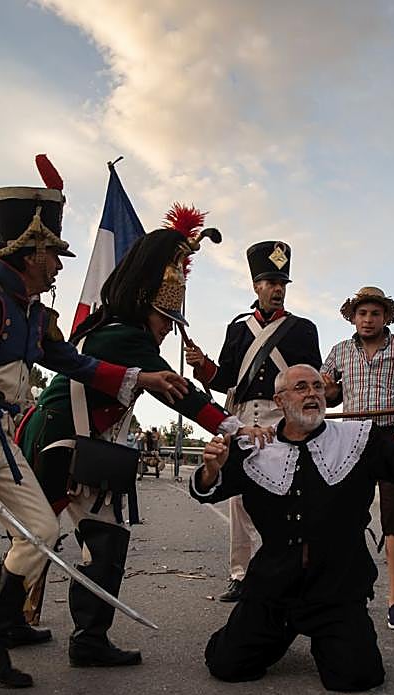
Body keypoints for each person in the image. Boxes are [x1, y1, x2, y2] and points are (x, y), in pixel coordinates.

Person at [0, 183, 187, 695]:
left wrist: (141, 378)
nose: (58, 267)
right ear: (29, 252)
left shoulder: (31, 312)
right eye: (53, 255)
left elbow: (77, 364)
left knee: (42, 531)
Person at [18, 207, 273, 667]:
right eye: (164, 322)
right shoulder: (124, 335)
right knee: (46, 539)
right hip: (63, 443)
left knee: (85, 538)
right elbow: (183, 394)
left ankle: (66, 634)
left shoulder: (114, 327)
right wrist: (235, 427)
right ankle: (13, 628)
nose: (164, 332)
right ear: (147, 306)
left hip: (81, 443)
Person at [193, 364, 394, 692]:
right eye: (301, 388)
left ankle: (330, 639)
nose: (312, 393)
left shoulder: (357, 439)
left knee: (357, 677)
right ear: (279, 401)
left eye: (317, 387)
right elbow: (209, 487)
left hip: (336, 588)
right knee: (228, 665)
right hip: (273, 589)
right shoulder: (255, 449)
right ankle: (263, 632)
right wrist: (211, 470)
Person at [184, 241, 322, 603]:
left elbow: (310, 379)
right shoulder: (238, 328)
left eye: (282, 283)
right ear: (256, 286)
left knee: (284, 495)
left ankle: (285, 568)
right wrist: (201, 365)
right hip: (243, 417)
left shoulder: (302, 328)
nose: (277, 289)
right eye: (270, 282)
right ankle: (240, 574)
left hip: (282, 418)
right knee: (239, 499)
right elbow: (224, 378)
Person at [322, 286, 394, 631]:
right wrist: (323, 386)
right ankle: (347, 591)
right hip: (350, 436)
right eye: (362, 314)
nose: (368, 320)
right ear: (352, 317)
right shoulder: (338, 352)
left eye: (374, 314)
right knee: (345, 517)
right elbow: (330, 394)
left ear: (386, 317)